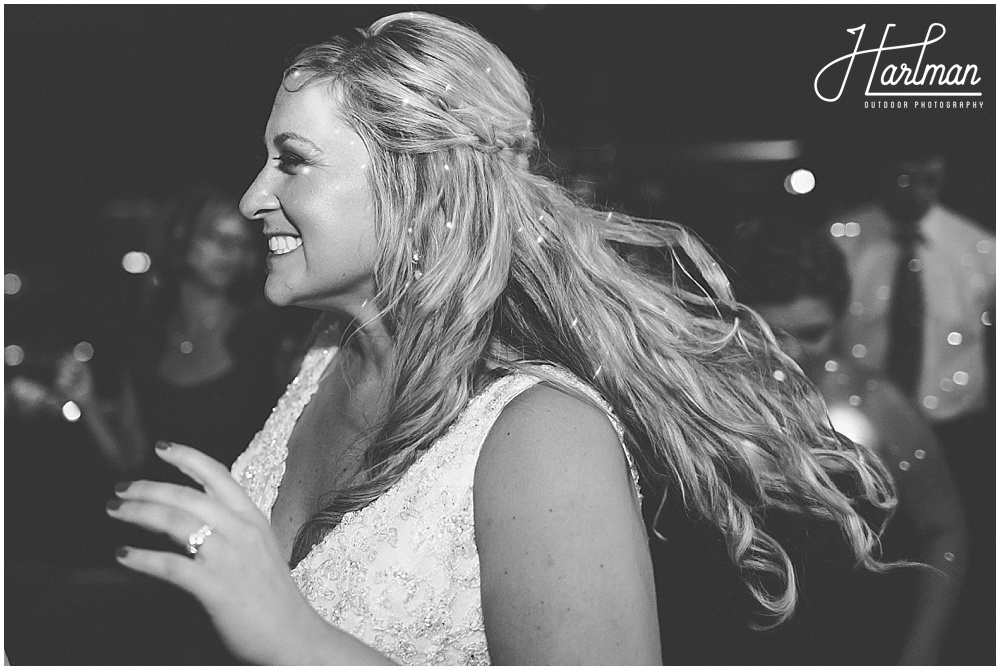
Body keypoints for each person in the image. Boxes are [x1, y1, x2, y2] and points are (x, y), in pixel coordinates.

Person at [105, 13, 900, 665]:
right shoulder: (323, 360)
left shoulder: (543, 437)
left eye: (293, 162)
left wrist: (294, 637)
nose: (253, 197)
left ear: (416, 186)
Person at [726, 220, 968, 664]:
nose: (790, 355)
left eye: (812, 332)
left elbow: (944, 529)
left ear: (839, 318)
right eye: (771, 334)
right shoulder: (719, 406)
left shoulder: (877, 403)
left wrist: (922, 651)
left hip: (862, 639)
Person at [54, 186, 308, 484]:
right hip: (163, 523)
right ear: (182, 239)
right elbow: (131, 456)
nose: (230, 251)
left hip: (240, 523)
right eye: (216, 236)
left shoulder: (266, 336)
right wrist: (88, 403)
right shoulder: (145, 340)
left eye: (240, 241)